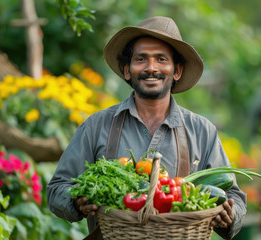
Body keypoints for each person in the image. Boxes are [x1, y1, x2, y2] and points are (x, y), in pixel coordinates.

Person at [47, 16, 247, 240]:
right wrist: (75, 202)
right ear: (127, 70)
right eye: (141, 59)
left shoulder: (202, 131)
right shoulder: (96, 126)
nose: (151, 68)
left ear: (177, 71)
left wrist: (231, 215)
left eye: (161, 59)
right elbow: (57, 188)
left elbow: (233, 197)